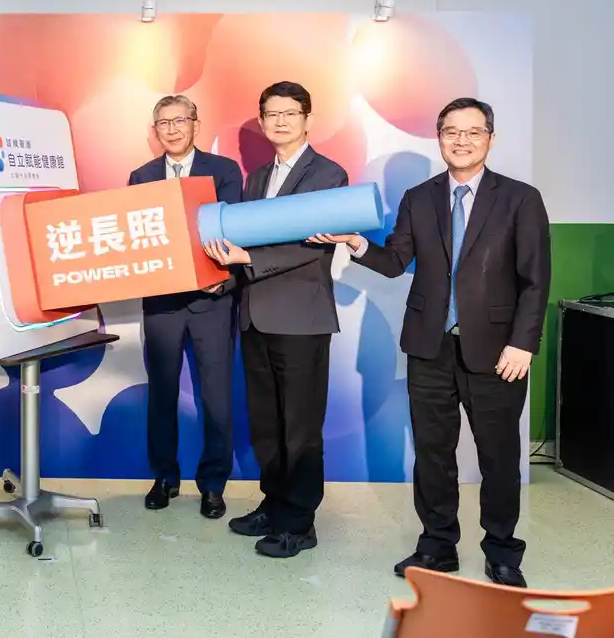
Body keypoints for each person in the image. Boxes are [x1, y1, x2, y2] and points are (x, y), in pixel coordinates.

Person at [310, 98, 549, 587]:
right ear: (439, 137)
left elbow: (535, 279)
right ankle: (438, 546)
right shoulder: (419, 198)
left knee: (499, 458)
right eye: (451, 131)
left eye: (473, 131)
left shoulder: (520, 199)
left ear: (490, 138)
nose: (461, 140)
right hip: (430, 347)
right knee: (433, 455)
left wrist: (523, 343)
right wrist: (353, 242)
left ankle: (502, 551)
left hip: (499, 353)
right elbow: (395, 261)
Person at [202, 81, 347, 559]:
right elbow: (243, 242)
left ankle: (300, 523)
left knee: (300, 427)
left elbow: (312, 245)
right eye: (271, 114)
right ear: (262, 121)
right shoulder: (257, 177)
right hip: (255, 315)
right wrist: (223, 279)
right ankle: (274, 503)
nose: (280, 121)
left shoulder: (328, 174)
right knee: (266, 423)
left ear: (308, 119)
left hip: (302, 318)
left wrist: (248, 259)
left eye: (290, 113)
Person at [128, 94, 242, 517]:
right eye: (163, 123)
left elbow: (231, 230)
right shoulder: (141, 177)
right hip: (162, 303)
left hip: (212, 299)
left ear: (196, 123)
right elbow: (137, 239)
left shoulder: (224, 171)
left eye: (180, 120)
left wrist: (219, 279)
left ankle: (213, 485)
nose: (172, 129)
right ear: (154, 131)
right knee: (161, 394)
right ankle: (165, 477)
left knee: (216, 398)